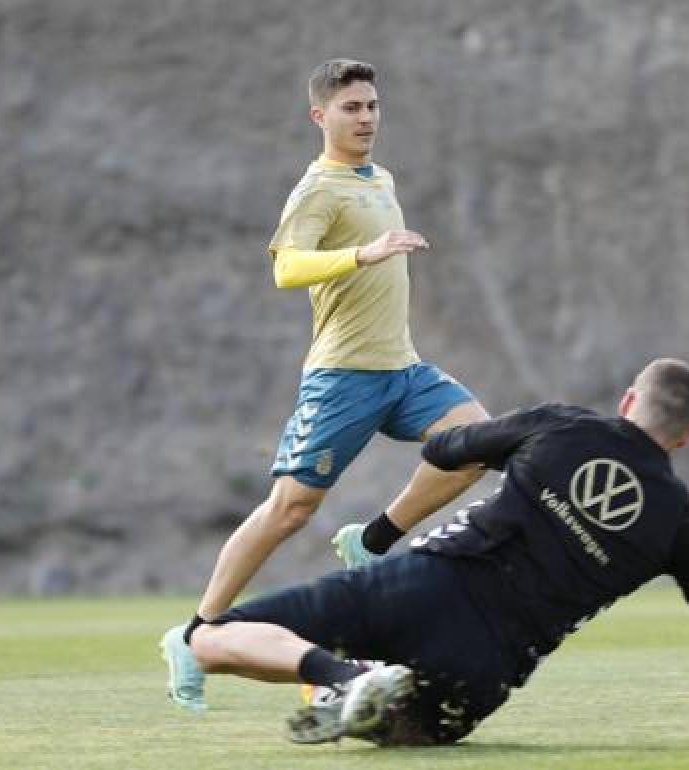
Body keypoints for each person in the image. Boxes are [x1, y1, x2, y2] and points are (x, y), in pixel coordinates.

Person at [184, 358, 689, 745]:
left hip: (423, 589)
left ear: (628, 401)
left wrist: (512, 458)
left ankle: (344, 676)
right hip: (486, 668)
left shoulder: (562, 426)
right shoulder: (678, 519)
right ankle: (372, 692)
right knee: (405, 732)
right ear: (687, 437)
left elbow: (446, 450)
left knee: (209, 641)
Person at [159, 58, 491, 712]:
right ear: (320, 116)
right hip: (342, 377)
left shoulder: (379, 178)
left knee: (477, 442)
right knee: (291, 509)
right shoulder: (318, 189)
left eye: (371, 105)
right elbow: (287, 269)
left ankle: (371, 541)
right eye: (351, 108)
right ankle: (196, 631)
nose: (365, 117)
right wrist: (363, 254)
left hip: (403, 368)